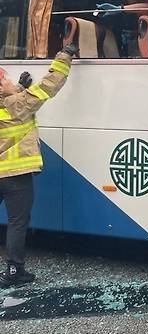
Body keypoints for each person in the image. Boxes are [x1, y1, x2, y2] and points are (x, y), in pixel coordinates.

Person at [0, 44, 77, 288]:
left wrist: (20, 86)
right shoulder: (18, 104)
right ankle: (14, 270)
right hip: (15, 176)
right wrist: (64, 56)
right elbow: (48, 86)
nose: (12, 81)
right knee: (17, 222)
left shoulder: (11, 102)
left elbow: (14, 102)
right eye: (7, 80)